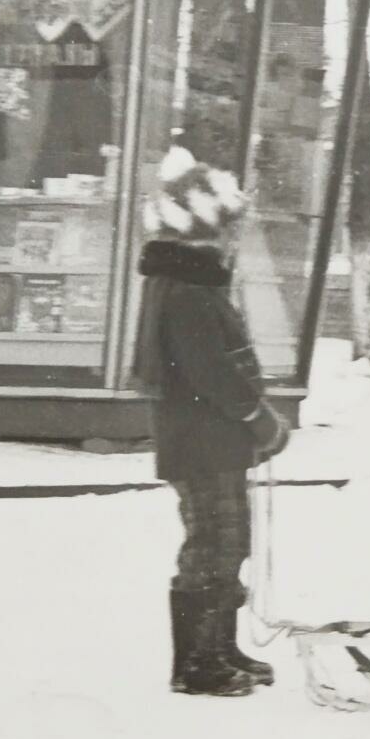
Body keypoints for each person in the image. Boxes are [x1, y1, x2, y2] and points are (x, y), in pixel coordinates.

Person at [135, 145, 289, 697]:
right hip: (202, 445)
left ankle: (219, 647)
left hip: (211, 444)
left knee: (228, 542)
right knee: (211, 545)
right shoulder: (189, 296)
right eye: (226, 229)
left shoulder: (189, 288)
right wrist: (259, 418)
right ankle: (197, 663)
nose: (232, 241)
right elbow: (213, 376)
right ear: (201, 229)